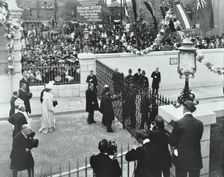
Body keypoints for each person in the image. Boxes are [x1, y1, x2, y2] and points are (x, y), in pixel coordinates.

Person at [170, 101, 203, 177]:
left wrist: (174, 151)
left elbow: (172, 141)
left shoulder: (179, 123)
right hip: (195, 158)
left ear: (184, 108)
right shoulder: (199, 124)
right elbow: (198, 138)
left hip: (182, 158)